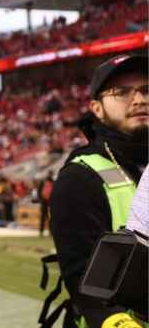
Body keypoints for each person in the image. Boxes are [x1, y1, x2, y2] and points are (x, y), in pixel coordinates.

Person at [46, 54, 147, 327]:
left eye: (147, 90)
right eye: (122, 92)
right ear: (97, 108)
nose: (139, 99)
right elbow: (83, 280)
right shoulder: (80, 176)